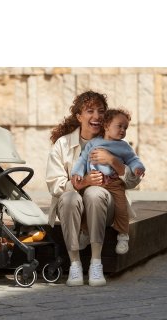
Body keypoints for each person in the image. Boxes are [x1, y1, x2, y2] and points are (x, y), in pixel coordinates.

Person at [46, 91, 141, 287]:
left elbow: (133, 182)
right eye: (90, 111)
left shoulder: (117, 142)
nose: (96, 116)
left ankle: (96, 263)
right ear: (79, 116)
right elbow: (54, 184)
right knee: (69, 198)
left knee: (95, 193)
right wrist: (81, 182)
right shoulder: (62, 144)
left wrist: (113, 161)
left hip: (105, 207)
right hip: (72, 209)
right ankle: (74, 264)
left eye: (101, 111)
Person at [71, 108, 145, 255]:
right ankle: (85, 232)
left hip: (114, 183)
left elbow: (133, 159)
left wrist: (138, 168)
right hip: (94, 181)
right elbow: (83, 159)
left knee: (121, 208)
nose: (123, 130)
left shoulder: (124, 146)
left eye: (125, 128)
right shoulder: (93, 143)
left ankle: (123, 235)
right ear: (106, 126)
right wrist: (77, 173)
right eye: (119, 126)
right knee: (87, 203)